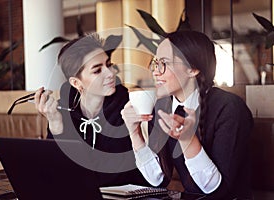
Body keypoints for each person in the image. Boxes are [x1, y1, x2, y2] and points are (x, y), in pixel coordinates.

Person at [121, 30, 253, 199]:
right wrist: (134, 133)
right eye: (155, 63)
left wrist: (188, 140)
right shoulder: (163, 106)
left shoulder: (230, 108)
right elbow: (158, 179)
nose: (155, 72)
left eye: (164, 63)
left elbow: (218, 192)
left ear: (193, 69)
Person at [34, 33, 147, 187]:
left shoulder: (128, 107)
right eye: (97, 70)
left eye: (108, 64)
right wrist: (56, 125)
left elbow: (113, 173)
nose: (111, 73)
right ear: (76, 82)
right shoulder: (62, 112)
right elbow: (55, 171)